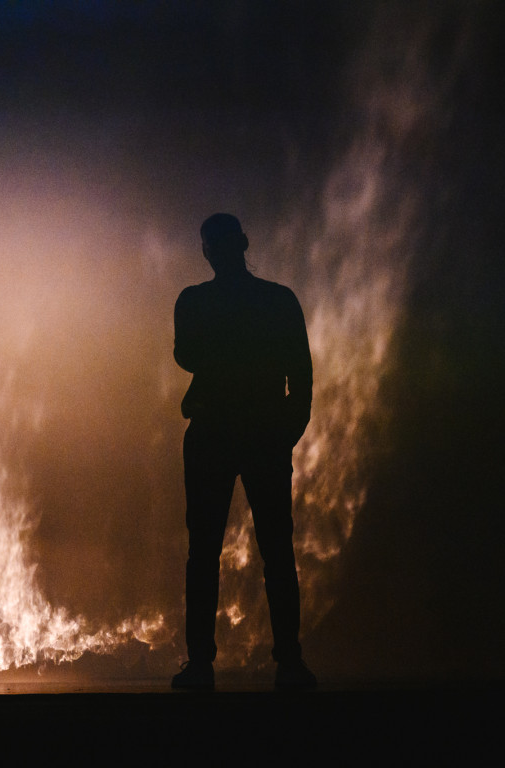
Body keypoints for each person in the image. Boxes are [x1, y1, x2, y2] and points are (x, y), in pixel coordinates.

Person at [171, 213, 317, 691]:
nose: (216, 252)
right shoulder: (274, 300)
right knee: (269, 549)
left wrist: (288, 428)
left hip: (222, 430)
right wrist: (288, 427)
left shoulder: (196, 301)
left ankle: (203, 665)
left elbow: (191, 355)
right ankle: (285, 663)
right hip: (252, 432)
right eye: (214, 244)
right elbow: (299, 370)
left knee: (212, 551)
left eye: (216, 243)